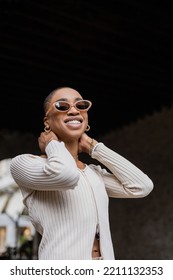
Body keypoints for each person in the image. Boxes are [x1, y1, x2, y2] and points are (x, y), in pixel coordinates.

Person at [10, 86, 153, 260]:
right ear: (47, 121)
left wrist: (94, 147)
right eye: (62, 106)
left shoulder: (93, 173)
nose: (73, 110)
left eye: (81, 105)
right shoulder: (25, 163)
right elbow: (66, 176)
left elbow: (141, 187)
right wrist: (51, 144)